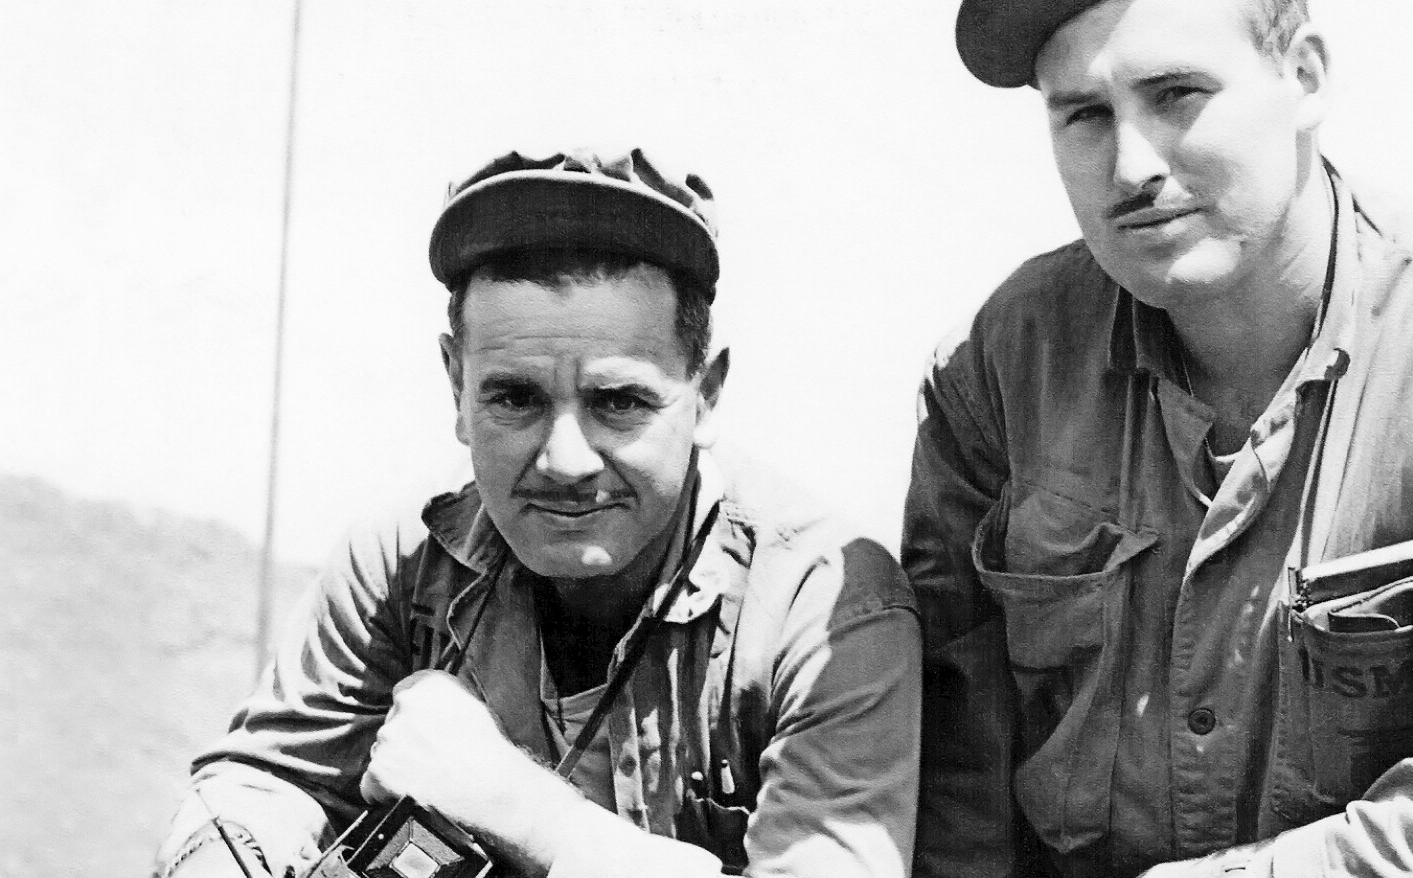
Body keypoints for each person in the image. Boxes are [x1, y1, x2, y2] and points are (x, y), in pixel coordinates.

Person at [904, 1, 1413, 876]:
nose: (1131, 166)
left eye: (1177, 94)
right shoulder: (1004, 363)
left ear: (1304, 77)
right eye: (1085, 114)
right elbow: (953, 775)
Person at [154, 148, 922, 878]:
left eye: (619, 402)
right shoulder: (399, 561)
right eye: (516, 398)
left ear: (707, 393)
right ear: (456, 385)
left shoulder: (824, 609)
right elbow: (261, 782)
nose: (565, 461)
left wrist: (523, 811)